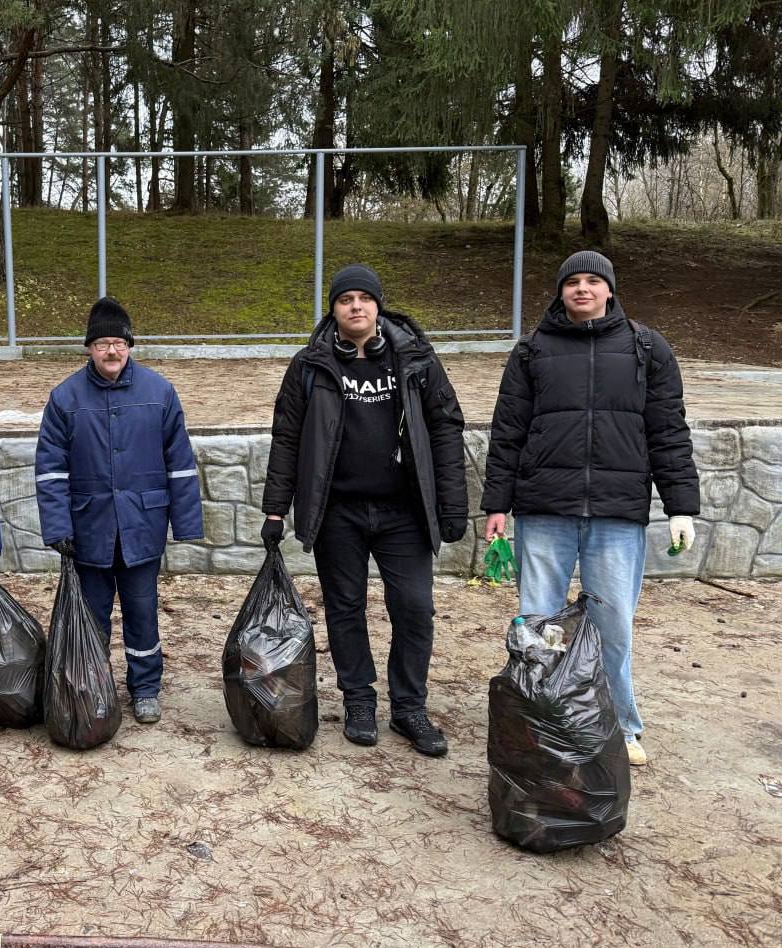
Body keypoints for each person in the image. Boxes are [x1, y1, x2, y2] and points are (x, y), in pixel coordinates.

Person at [481, 251, 699, 767]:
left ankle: (619, 726)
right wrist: (497, 505)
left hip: (617, 514)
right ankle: (539, 717)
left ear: (609, 290)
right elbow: (507, 432)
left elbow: (668, 431)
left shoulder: (648, 349)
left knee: (612, 628)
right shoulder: (531, 352)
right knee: (538, 624)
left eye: (593, 281)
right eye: (572, 282)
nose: (583, 289)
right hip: (543, 511)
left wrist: (681, 506)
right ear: (560, 291)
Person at [261, 264, 468, 757]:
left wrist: (452, 503)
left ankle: (409, 707)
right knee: (346, 609)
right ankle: (358, 699)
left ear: (379, 306)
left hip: (404, 512)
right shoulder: (309, 366)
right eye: (345, 299)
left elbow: (445, 428)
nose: (356, 306)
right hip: (340, 513)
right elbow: (287, 437)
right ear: (333, 309)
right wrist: (275, 509)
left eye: (364, 298)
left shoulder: (416, 360)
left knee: (415, 609)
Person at [35, 297, 204, 724]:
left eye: (119, 342)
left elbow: (180, 465)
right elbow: (51, 470)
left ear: (130, 346)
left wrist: (185, 524)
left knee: (142, 614)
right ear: (89, 349)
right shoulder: (65, 398)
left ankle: (145, 687)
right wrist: (58, 527)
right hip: (88, 530)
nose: (111, 351)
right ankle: (94, 686)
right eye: (102, 343)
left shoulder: (159, 392)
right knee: (91, 620)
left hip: (142, 528)